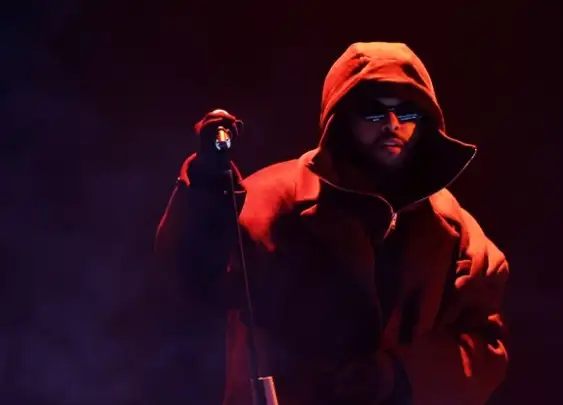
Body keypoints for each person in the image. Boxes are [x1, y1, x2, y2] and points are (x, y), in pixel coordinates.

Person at [154, 42, 510, 405]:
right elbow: (193, 277)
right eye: (373, 111)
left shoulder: (452, 228)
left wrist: (398, 375)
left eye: (407, 112)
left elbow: (484, 343)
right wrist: (209, 186)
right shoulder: (273, 202)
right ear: (342, 116)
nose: (392, 125)